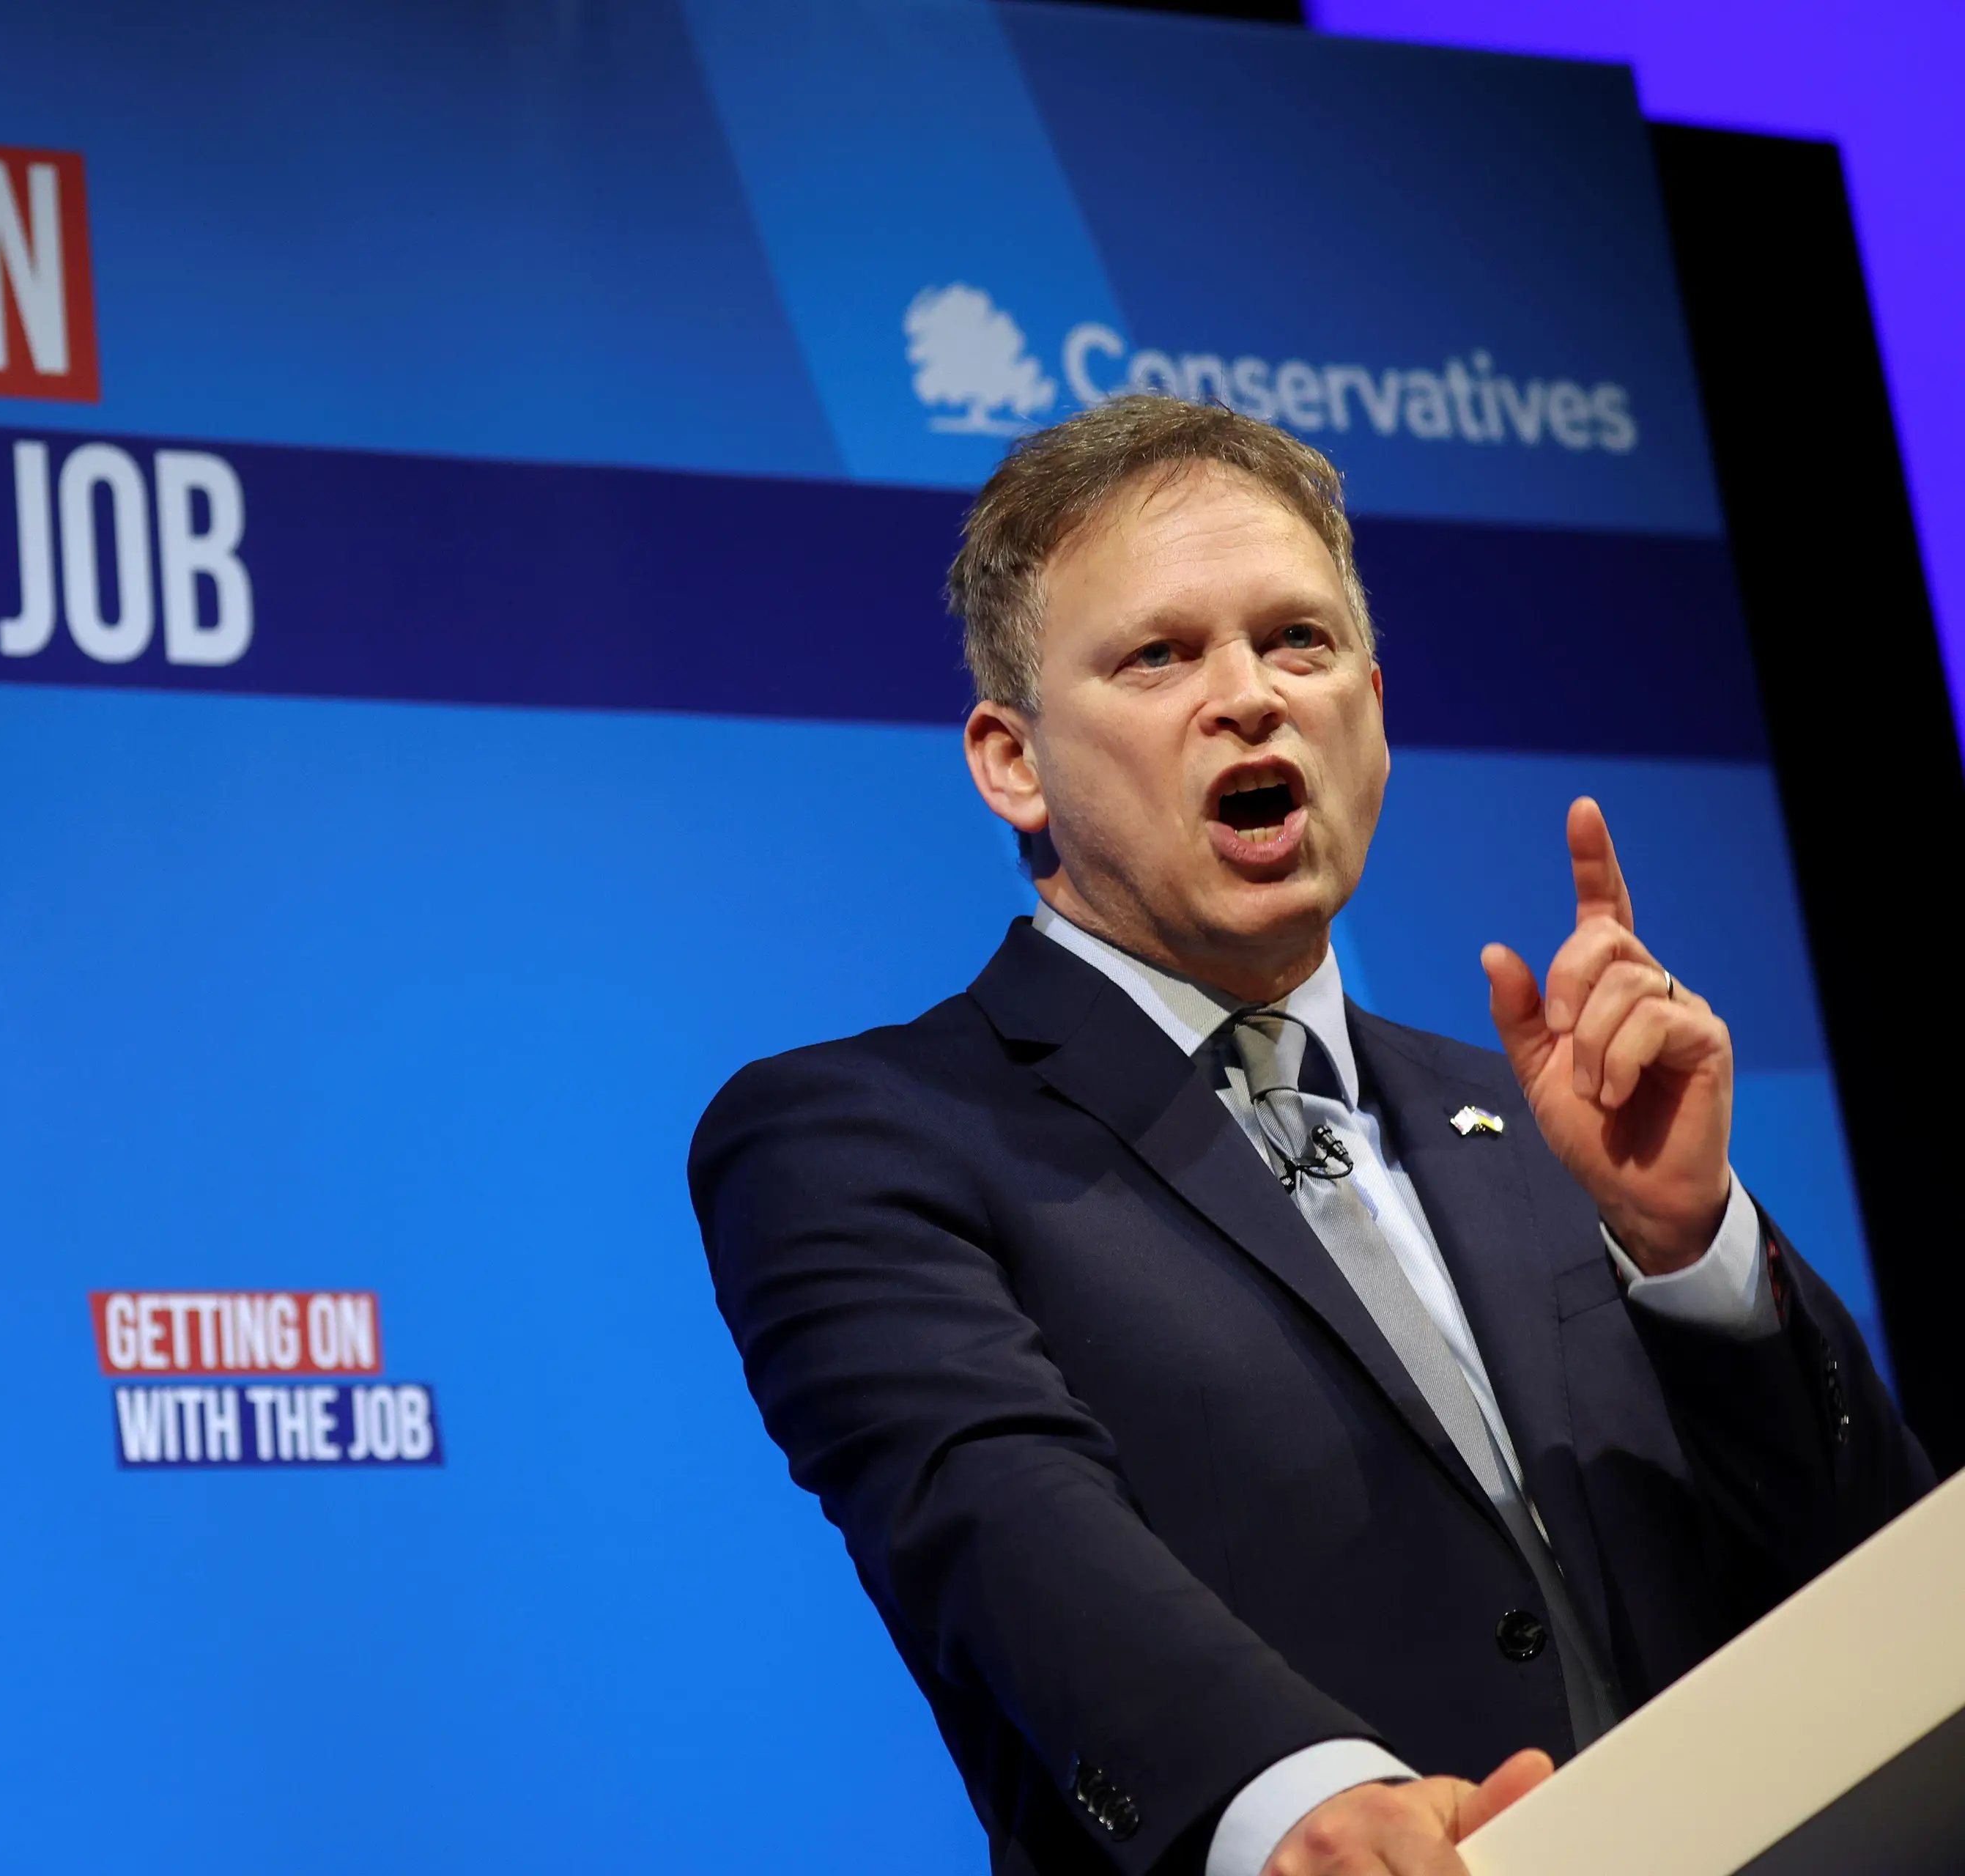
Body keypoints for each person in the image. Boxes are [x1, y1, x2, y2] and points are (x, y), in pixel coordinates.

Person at [688, 396, 1933, 1876]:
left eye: (1299, 640)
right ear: (1010, 758)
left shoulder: (1549, 1111)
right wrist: (1297, 1794)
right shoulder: (860, 1134)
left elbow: (1883, 1587)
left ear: (1375, 709)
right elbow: (998, 1516)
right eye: (1160, 654)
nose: (1251, 696)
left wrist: (1695, 1251)